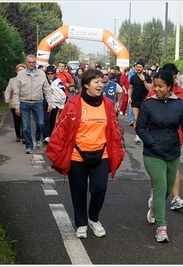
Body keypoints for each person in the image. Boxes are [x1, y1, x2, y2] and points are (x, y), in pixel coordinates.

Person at [46, 69, 125, 239]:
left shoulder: (108, 104)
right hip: (77, 155)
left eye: (101, 81)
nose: (100, 85)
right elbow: (61, 129)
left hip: (102, 154)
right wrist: (56, 150)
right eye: (96, 82)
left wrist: (118, 149)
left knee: (99, 189)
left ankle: (94, 218)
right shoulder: (73, 104)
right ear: (86, 85)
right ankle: (81, 224)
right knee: (79, 191)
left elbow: (115, 130)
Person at [136, 69, 183, 242]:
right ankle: (161, 227)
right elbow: (140, 127)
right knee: (161, 186)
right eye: (154, 85)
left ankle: (155, 207)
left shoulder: (179, 104)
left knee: (168, 187)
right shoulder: (148, 104)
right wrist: (151, 141)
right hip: (153, 152)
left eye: (160, 86)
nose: (155, 89)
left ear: (169, 86)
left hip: (172, 150)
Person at [146, 63, 183, 212]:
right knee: (158, 173)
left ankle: (175, 197)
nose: (158, 88)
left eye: (173, 77)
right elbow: (146, 116)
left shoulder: (181, 93)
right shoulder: (154, 93)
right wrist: (149, 138)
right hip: (155, 141)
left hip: (173, 139)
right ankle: (155, 194)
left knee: (173, 169)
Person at [13, 54, 53, 154]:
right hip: (24, 102)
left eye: (33, 62)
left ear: (36, 63)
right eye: (29, 62)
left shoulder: (41, 74)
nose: (31, 64)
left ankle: (38, 138)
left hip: (38, 102)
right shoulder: (21, 74)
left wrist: (50, 103)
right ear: (27, 63)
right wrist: (17, 106)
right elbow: (16, 91)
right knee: (26, 127)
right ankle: (29, 146)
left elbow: (47, 90)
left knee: (40, 123)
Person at [128, 60, 152, 143]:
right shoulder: (133, 77)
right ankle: (137, 135)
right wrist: (129, 97)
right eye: (137, 67)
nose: (138, 68)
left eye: (140, 67)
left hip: (145, 100)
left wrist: (143, 80)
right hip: (135, 100)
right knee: (136, 118)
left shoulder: (147, 76)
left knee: (145, 119)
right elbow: (130, 88)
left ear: (143, 68)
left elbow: (150, 88)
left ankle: (144, 133)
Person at [4, 63, 26, 143]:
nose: (21, 72)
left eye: (23, 70)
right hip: (14, 102)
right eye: (19, 70)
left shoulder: (28, 80)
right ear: (17, 71)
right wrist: (7, 98)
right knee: (17, 120)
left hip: (25, 102)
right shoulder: (12, 80)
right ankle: (18, 135)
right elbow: (8, 90)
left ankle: (24, 136)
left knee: (25, 120)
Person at [42, 65, 63, 144]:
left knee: (53, 119)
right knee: (45, 119)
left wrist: (55, 91)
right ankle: (46, 136)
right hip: (45, 102)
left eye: (51, 73)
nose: (50, 75)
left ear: (54, 74)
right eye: (48, 73)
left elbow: (62, 90)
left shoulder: (58, 81)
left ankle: (51, 134)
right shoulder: (43, 81)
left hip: (55, 103)